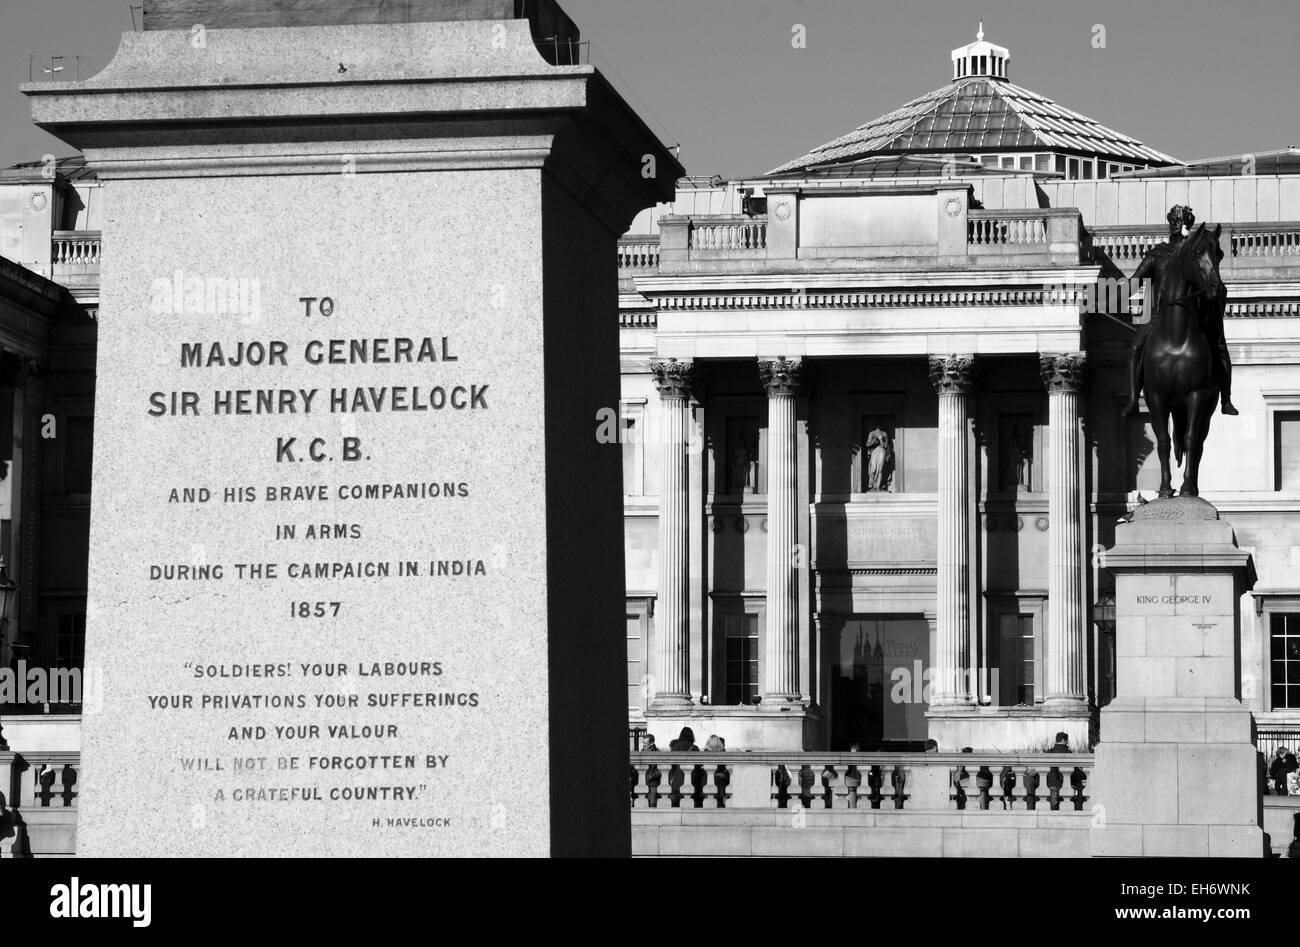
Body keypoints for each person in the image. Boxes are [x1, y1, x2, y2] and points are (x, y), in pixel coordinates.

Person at [1123, 205, 1237, 418]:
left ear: (1187, 225)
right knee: (1136, 347)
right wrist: (1105, 298)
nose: (1177, 225)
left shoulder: (1196, 254)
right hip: (1159, 315)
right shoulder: (1157, 254)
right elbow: (1133, 284)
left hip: (1194, 316)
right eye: (1174, 221)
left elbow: (1210, 277)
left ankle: (1226, 398)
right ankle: (1132, 399)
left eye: (1181, 221)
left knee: (1219, 345)